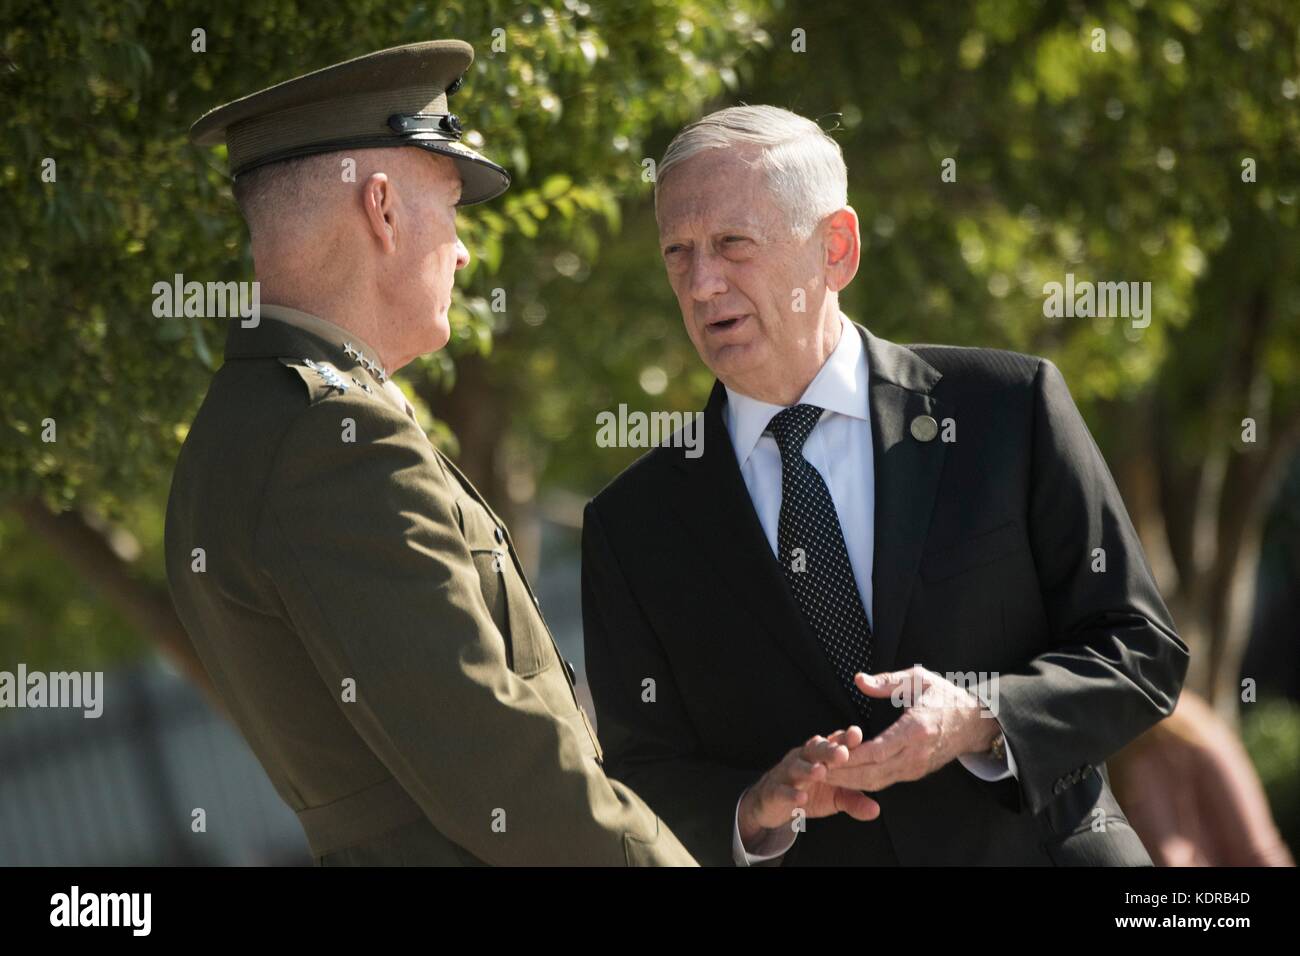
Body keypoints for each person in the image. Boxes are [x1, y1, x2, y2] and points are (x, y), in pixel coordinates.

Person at [581, 105, 1190, 865]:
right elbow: (641, 776)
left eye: (733, 244)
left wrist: (980, 717)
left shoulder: (1008, 409)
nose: (703, 284)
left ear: (836, 249)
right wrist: (755, 809)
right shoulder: (633, 524)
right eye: (678, 251)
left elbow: (1141, 650)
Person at [166, 40, 695, 866]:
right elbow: (506, 771)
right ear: (380, 208)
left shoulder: (254, 427)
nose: (462, 249)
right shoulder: (332, 442)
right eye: (448, 209)